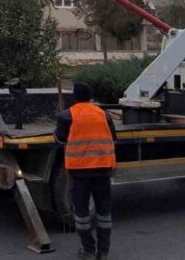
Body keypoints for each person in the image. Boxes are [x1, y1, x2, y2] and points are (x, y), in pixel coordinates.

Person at [54, 82, 117, 260]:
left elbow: (59, 139)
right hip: (103, 169)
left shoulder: (67, 115)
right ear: (90, 96)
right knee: (104, 212)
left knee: (81, 213)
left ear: (75, 96)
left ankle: (88, 250)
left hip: (79, 172)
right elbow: (113, 138)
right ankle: (103, 251)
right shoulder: (104, 115)